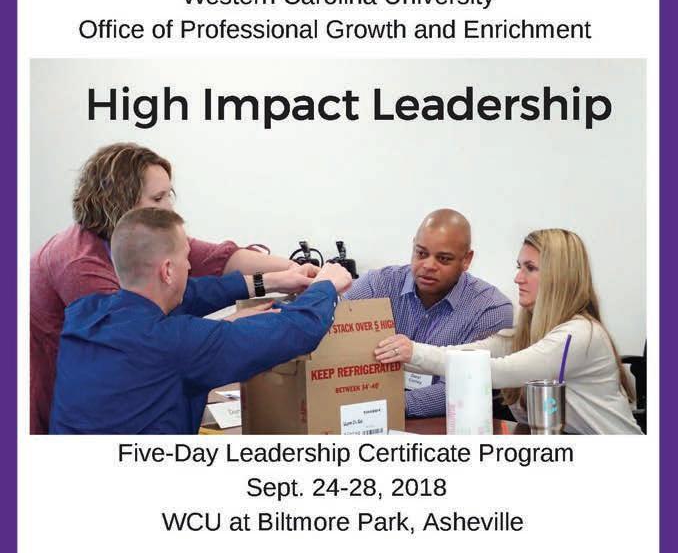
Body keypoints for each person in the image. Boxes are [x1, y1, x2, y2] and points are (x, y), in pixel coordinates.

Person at [31, 143, 317, 432]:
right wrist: (227, 330)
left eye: (169, 195)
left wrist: (291, 271)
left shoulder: (145, 241)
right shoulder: (79, 265)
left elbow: (218, 259)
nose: (168, 207)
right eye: (158, 198)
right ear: (118, 202)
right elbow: (145, 346)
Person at [49, 208, 351, 435]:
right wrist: (326, 285)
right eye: (186, 258)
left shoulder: (82, 314)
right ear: (168, 270)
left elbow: (191, 294)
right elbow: (298, 329)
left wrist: (273, 280)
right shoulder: (177, 344)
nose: (190, 267)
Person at [374, 229, 641, 435]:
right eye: (519, 267)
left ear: (559, 277)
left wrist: (413, 352)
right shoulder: (529, 334)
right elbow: (469, 353)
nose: (518, 278)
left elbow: (499, 371)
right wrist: (403, 352)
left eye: (530, 268)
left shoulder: (580, 335)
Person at [343, 209, 513, 418]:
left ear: (466, 259)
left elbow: (464, 387)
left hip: (446, 426)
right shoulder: (378, 285)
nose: (428, 266)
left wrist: (381, 406)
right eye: (421, 254)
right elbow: (329, 331)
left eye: (443, 259)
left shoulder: (490, 309)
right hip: (368, 414)